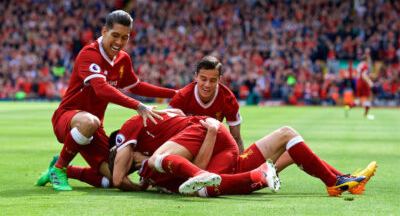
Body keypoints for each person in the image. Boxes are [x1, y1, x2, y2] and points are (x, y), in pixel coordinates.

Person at [37, 10, 177, 191]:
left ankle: (66, 170)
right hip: (69, 118)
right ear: (104, 32)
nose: (119, 42)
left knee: (115, 178)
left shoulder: (123, 59)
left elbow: (137, 86)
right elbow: (101, 89)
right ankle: (59, 168)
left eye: (125, 37)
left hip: (94, 128)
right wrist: (137, 105)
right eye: (115, 35)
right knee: (89, 121)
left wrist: (175, 93)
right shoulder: (90, 53)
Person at [110, 111, 374, 197]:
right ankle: (335, 181)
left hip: (225, 157)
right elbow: (201, 169)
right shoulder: (155, 166)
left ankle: (340, 179)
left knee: (287, 135)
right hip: (220, 171)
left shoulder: (159, 155)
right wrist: (212, 133)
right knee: (285, 144)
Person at [169, 56, 244, 153]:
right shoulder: (182, 97)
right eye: (203, 79)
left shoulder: (228, 99)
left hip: (213, 147)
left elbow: (236, 138)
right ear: (196, 76)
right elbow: (168, 134)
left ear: (219, 79)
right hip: (184, 145)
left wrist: (241, 167)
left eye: (212, 80)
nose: (207, 85)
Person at [345, 51, 375, 119]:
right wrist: (369, 81)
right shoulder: (365, 65)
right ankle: (366, 115)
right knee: (369, 97)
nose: (370, 60)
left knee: (358, 100)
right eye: (369, 58)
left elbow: (361, 74)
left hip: (358, 83)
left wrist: (369, 75)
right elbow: (364, 75)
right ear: (366, 59)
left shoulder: (360, 64)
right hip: (363, 83)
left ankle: (348, 107)